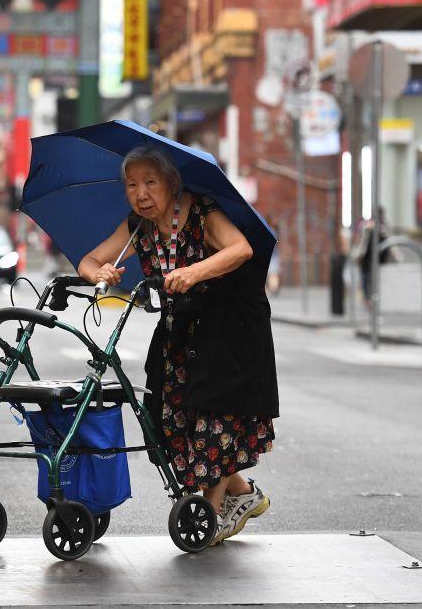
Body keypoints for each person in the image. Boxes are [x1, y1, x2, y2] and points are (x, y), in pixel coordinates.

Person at [78, 147, 278, 545]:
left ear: (171, 183)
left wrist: (193, 271)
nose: (140, 193)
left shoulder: (204, 213)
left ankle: (212, 508)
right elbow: (88, 259)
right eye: (132, 185)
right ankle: (241, 492)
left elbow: (241, 249)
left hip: (229, 326)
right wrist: (98, 272)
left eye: (150, 182)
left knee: (213, 417)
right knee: (168, 419)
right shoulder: (139, 227)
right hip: (181, 328)